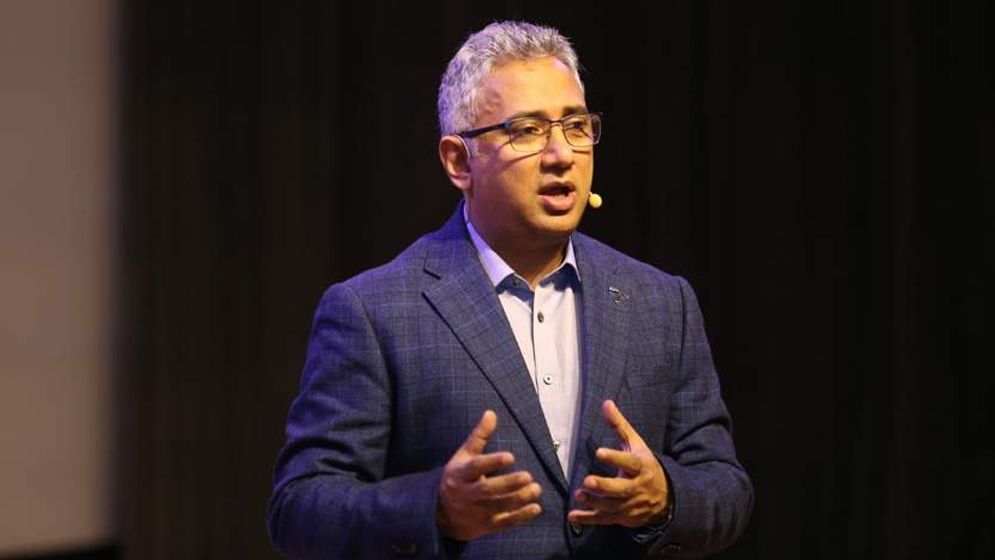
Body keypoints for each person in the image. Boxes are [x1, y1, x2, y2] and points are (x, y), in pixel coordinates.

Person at [267, 21, 752, 559]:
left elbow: (725, 488)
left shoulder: (661, 302)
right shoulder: (375, 311)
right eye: (527, 130)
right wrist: (433, 509)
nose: (561, 154)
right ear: (459, 161)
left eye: (576, 125)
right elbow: (299, 508)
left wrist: (665, 497)